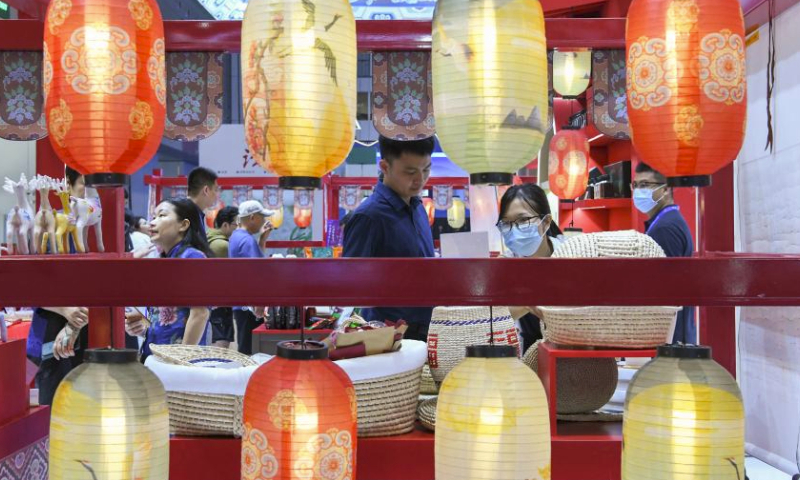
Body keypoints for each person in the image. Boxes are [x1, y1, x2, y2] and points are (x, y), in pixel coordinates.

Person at [342, 135, 436, 341]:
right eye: (410, 172)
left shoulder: (418, 208)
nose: (420, 179)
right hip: (387, 334)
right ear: (385, 167)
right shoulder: (368, 217)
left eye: (426, 169)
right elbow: (350, 283)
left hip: (428, 327)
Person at [124, 198, 212, 361]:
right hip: (158, 359)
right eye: (153, 216)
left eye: (161, 215)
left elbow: (200, 313)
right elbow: (163, 317)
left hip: (177, 363)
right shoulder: (164, 260)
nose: (152, 222)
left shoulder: (192, 257)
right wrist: (143, 326)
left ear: (183, 225)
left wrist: (181, 362)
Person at [496, 183, 564, 353]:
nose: (514, 229)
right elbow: (494, 318)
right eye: (506, 223)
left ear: (546, 221)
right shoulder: (504, 265)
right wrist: (527, 303)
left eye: (523, 220)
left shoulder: (569, 256)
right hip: (524, 354)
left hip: (567, 351)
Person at [632, 163, 696, 344]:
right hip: (674, 333)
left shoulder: (665, 228)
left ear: (666, 189)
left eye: (645, 185)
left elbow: (664, 292)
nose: (638, 191)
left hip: (671, 336)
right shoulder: (668, 221)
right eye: (635, 185)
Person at [229, 200, 273, 354]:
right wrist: (259, 301)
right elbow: (256, 273)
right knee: (251, 349)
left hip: (242, 303)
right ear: (253, 217)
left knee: (245, 345)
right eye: (262, 217)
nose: (263, 222)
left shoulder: (237, 236)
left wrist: (262, 240)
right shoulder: (247, 240)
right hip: (249, 305)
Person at [207, 205, 239, 348]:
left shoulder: (208, 239)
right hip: (220, 301)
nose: (238, 229)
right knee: (221, 343)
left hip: (210, 301)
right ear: (225, 225)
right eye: (236, 225)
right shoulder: (223, 245)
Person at [187, 167, 220, 235]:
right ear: (206, 190)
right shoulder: (186, 215)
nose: (217, 195)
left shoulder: (195, 213)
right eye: (216, 190)